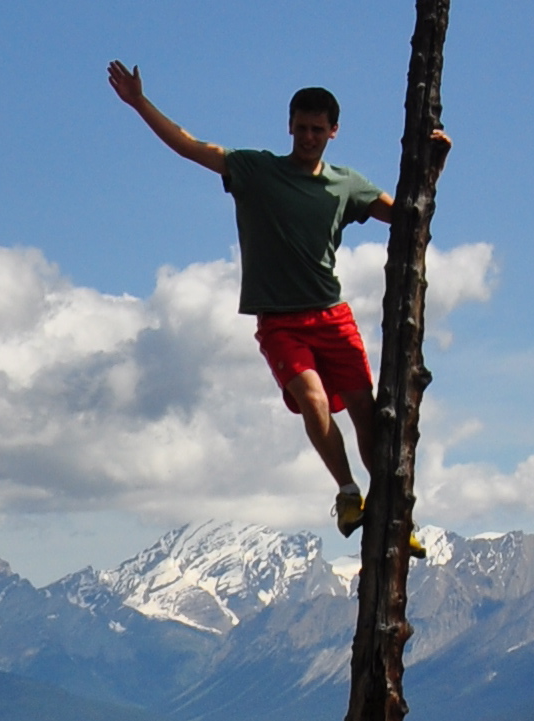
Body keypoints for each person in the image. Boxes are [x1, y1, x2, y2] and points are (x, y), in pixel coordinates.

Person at [106, 62, 446, 538]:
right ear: (289, 126)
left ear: (333, 132)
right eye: (301, 128)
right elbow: (190, 146)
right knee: (312, 400)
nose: (308, 137)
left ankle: (392, 514)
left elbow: (409, 217)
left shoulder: (347, 184)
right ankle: (349, 493)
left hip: (332, 316)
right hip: (280, 323)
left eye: (317, 130)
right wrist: (140, 102)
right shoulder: (257, 170)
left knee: (368, 414)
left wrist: (432, 168)